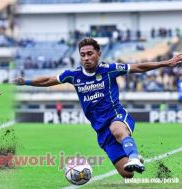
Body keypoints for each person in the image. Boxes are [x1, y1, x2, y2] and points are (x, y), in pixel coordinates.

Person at [14, 38, 182, 178]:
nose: (86, 58)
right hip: (101, 129)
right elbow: (48, 80)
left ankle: (133, 156)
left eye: (89, 54)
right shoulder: (73, 75)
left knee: (117, 129)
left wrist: (165, 63)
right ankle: (134, 156)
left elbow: (139, 67)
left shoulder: (109, 69)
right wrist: (26, 82)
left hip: (117, 117)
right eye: (82, 55)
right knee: (127, 174)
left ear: (98, 54)